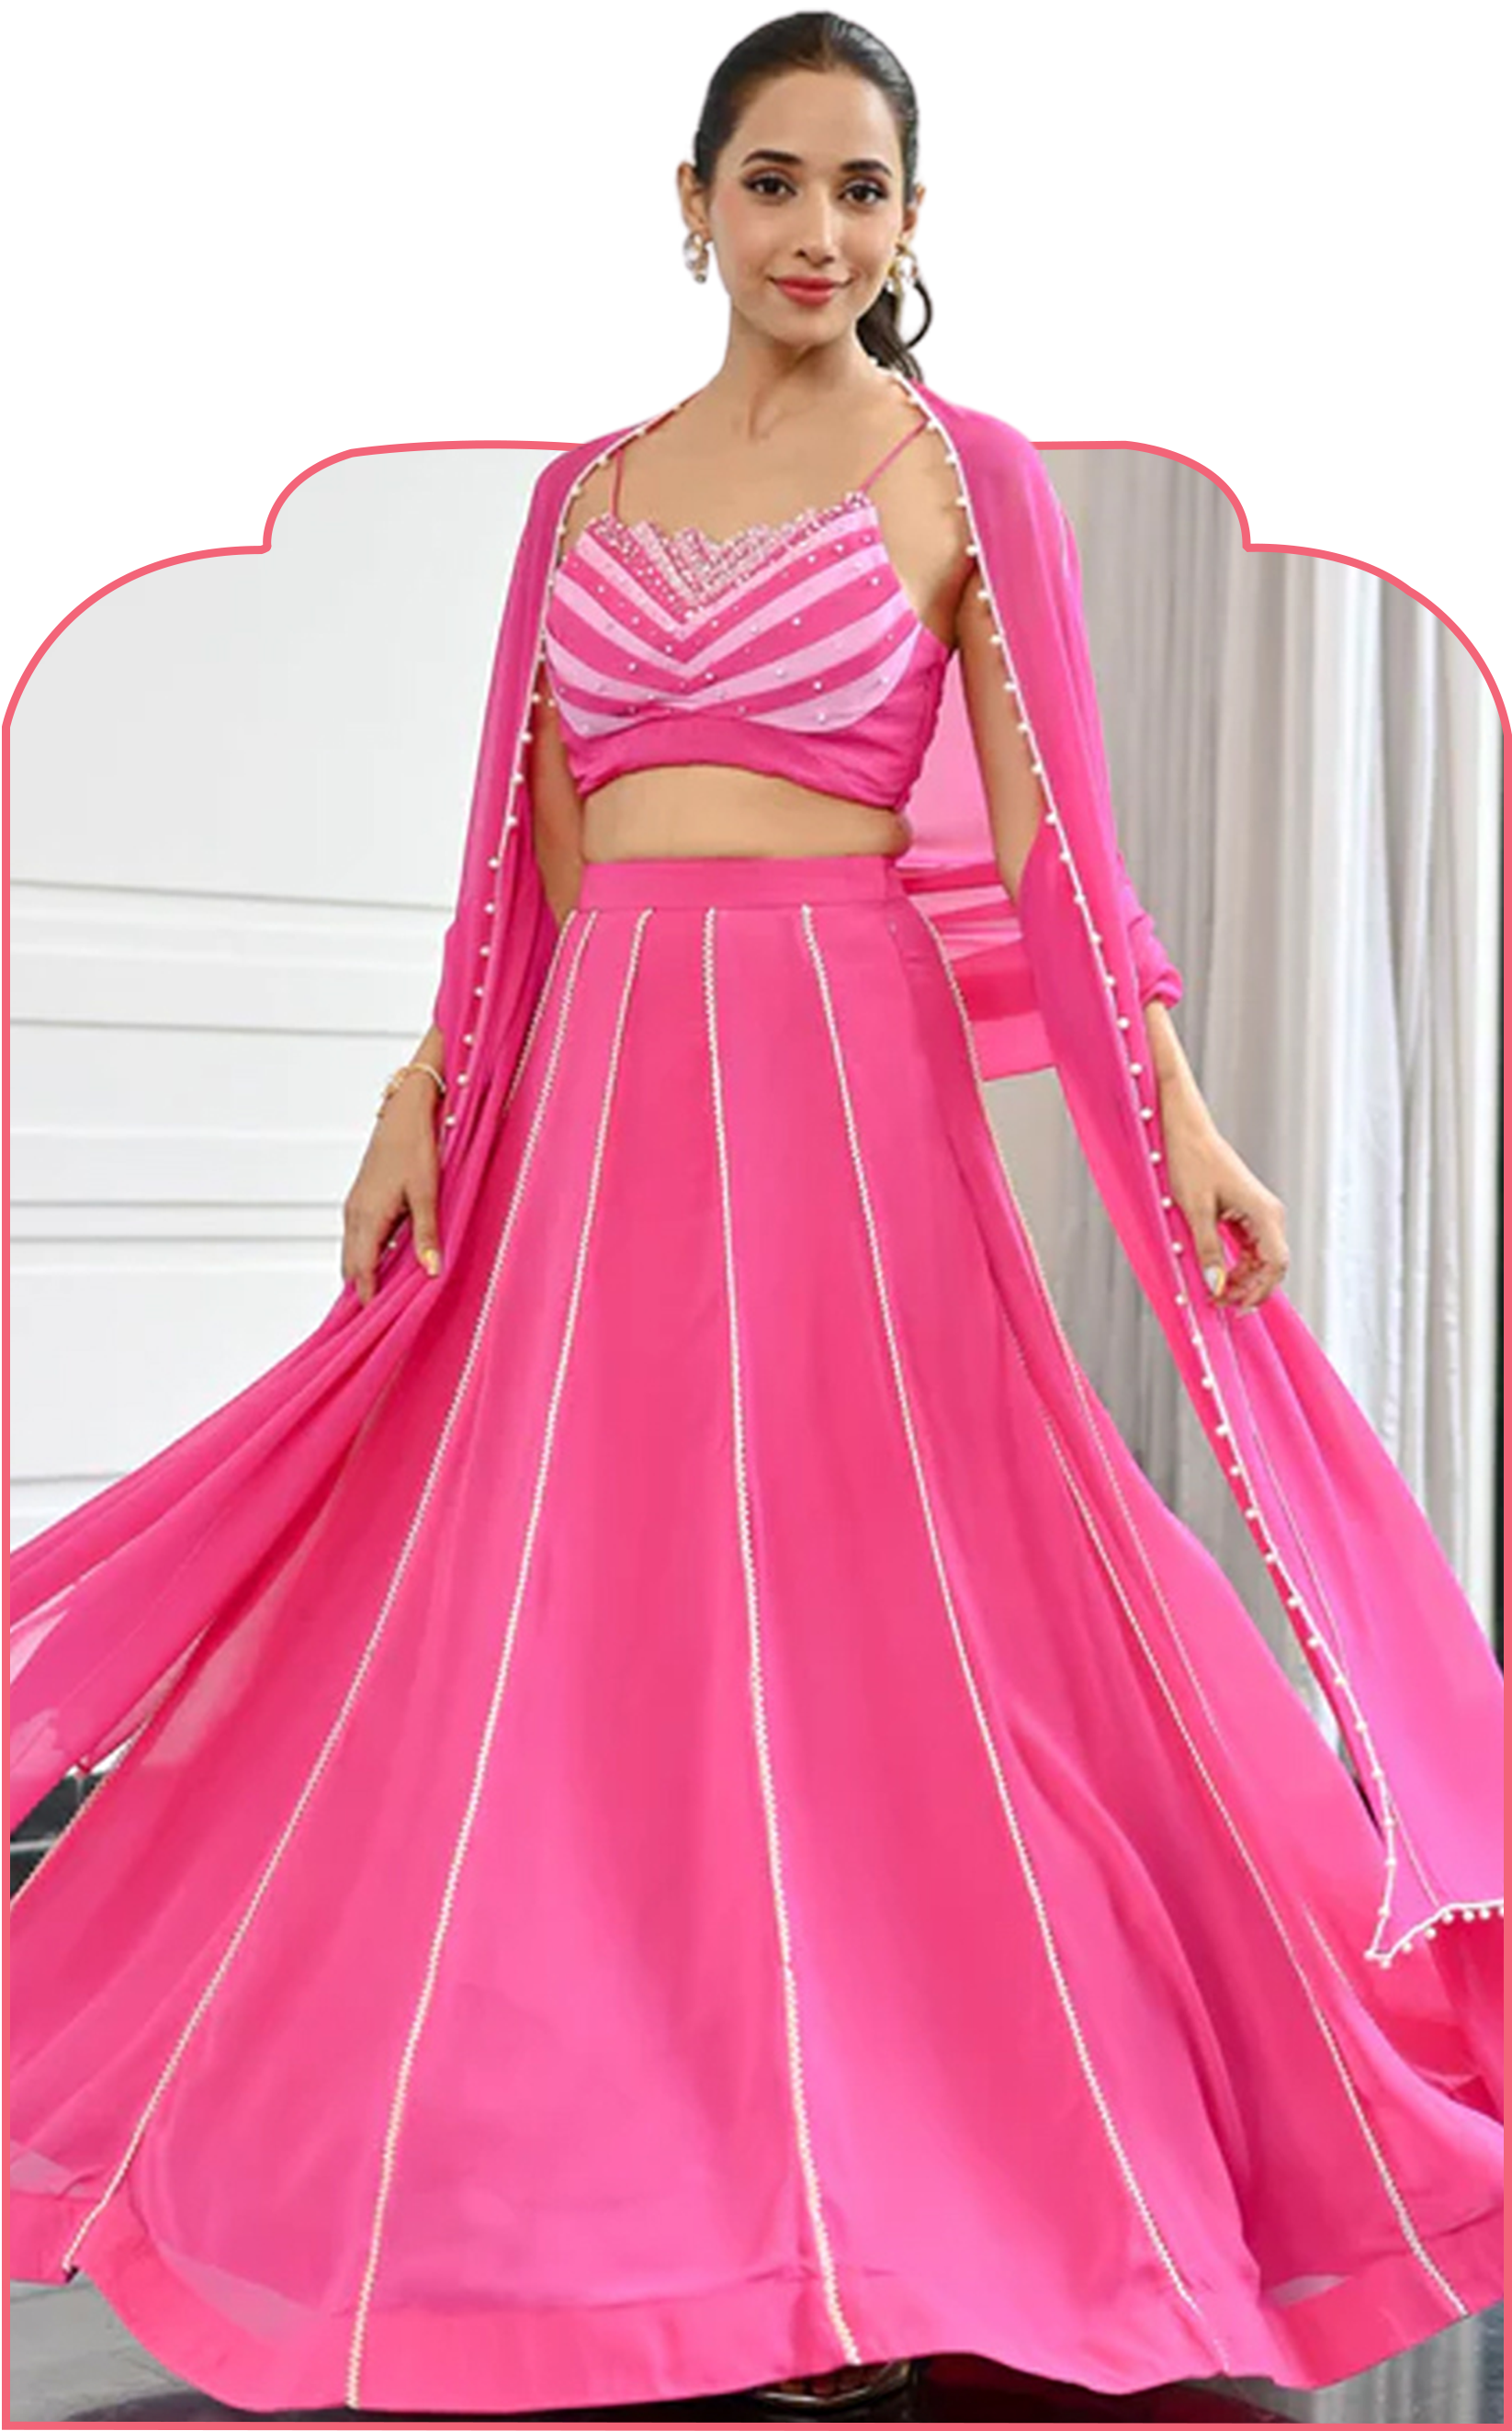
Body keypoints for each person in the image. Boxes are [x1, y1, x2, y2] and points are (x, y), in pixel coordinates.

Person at [9, 13, 1501, 2421]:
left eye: (863, 191)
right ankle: (652, 2190)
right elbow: (530, 854)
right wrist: (423, 1090)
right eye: (778, 183)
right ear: (695, 208)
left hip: (839, 1072)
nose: (820, 232)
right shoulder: (581, 500)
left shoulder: (960, 474)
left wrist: (1184, 1117)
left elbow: (1059, 842)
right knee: (594, 1631)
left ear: (905, 230)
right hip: (599, 1087)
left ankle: (885, 2196)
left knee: (875, 1610)